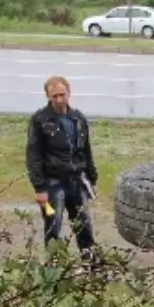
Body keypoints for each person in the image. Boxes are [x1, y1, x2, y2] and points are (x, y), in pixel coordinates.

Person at [26, 75, 99, 256]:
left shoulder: (79, 119)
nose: (59, 100)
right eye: (54, 96)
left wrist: (92, 178)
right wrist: (39, 188)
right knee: (53, 224)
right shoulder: (40, 120)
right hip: (52, 184)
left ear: (69, 93)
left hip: (77, 182)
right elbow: (33, 155)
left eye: (62, 95)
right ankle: (54, 268)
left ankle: (90, 263)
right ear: (48, 97)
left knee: (84, 225)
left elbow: (86, 150)